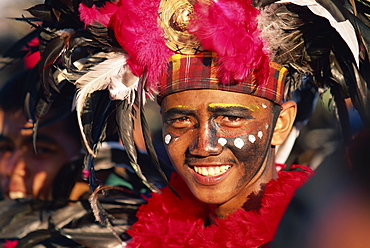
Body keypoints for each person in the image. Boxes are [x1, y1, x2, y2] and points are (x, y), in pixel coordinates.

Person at [24, 0, 369, 247]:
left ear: (282, 123)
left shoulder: (328, 230)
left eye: (230, 119)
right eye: (183, 120)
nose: (204, 144)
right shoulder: (126, 234)